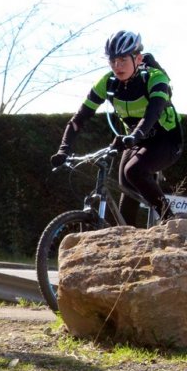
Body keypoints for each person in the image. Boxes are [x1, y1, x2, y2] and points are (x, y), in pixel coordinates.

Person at [51, 30, 183, 225]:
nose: (117, 66)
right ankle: (125, 237)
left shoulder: (155, 79)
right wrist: (64, 149)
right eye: (112, 61)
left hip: (166, 140)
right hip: (135, 140)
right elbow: (79, 118)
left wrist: (136, 134)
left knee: (134, 171)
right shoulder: (107, 82)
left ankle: (169, 221)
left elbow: (152, 114)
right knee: (125, 185)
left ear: (137, 58)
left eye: (122, 59)